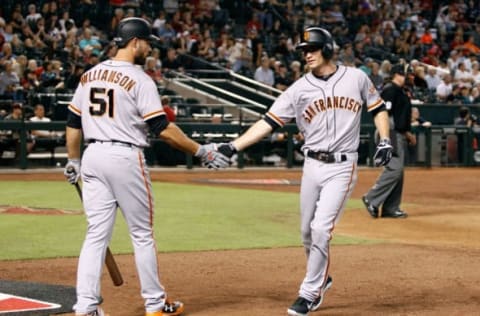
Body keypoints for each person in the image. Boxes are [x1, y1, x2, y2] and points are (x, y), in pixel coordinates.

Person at [214, 27, 392, 316]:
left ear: (328, 49)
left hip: (343, 166)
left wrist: (384, 140)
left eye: (312, 48)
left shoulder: (356, 77)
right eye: (303, 50)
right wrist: (234, 146)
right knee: (306, 233)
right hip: (311, 165)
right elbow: (267, 122)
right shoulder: (298, 89)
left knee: (321, 229)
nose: (306, 54)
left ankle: (310, 293)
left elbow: (379, 109)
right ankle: (321, 275)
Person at [63, 17, 229, 316]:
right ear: (135, 42)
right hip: (125, 157)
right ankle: (155, 303)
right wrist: (201, 151)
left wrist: (73, 159)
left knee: (95, 236)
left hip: (92, 157)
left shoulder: (90, 75)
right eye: (147, 43)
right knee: (141, 234)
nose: (150, 49)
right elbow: (162, 128)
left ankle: (86, 307)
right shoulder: (140, 78)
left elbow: (73, 124)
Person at [362, 63, 416, 219]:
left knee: (398, 172)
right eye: (407, 74)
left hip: (396, 133)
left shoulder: (399, 91)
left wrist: (406, 133)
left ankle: (391, 208)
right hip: (389, 132)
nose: (409, 77)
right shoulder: (390, 90)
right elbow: (384, 114)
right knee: (394, 170)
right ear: (397, 74)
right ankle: (371, 198)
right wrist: (386, 136)